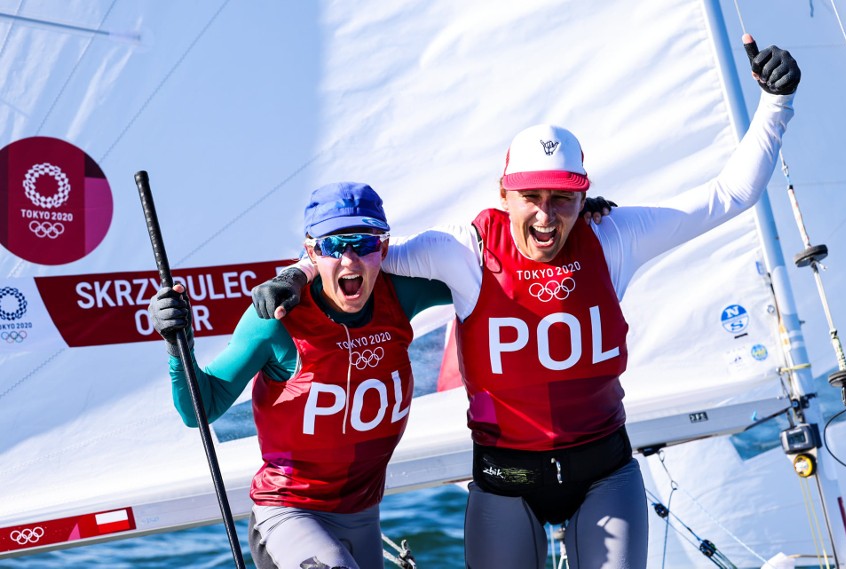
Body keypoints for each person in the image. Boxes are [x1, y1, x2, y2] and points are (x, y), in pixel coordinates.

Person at [251, 38, 800, 568]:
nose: (546, 214)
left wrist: (777, 102)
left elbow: (731, 196)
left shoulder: (615, 236)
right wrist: (296, 273)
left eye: (563, 197)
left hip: (604, 475)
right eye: (531, 197)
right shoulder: (462, 250)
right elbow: (367, 253)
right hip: (505, 483)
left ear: (584, 194)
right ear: (503, 193)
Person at [149, 182, 452, 569]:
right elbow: (200, 409)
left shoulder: (402, 294)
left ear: (385, 247)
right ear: (311, 250)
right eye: (331, 246)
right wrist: (179, 346)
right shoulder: (276, 319)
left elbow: (477, 266)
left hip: (363, 514)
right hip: (289, 513)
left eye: (364, 243)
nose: (349, 260)